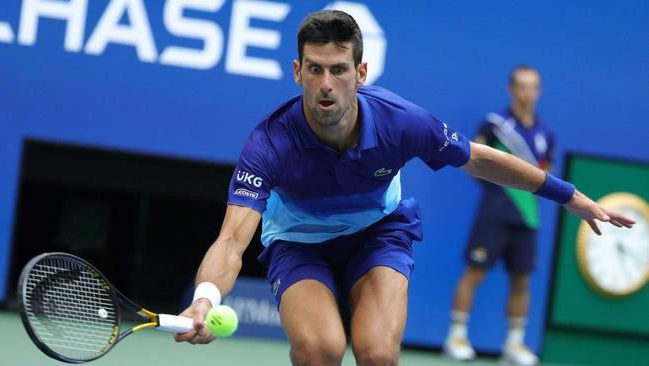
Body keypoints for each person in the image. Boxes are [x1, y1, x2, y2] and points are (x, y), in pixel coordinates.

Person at [174, 10, 634, 366]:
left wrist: (568, 195)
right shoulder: (269, 142)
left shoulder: (403, 122)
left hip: (378, 234)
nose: (326, 85)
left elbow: (478, 159)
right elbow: (232, 239)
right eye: (314, 70)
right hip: (300, 244)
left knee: (377, 354)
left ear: (362, 71)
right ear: (297, 72)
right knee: (321, 351)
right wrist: (205, 299)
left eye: (338, 69)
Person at [442, 66, 553, 366]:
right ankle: (456, 336)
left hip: (528, 218)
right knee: (474, 273)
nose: (527, 93)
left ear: (538, 92)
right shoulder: (494, 125)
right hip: (494, 214)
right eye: (522, 86)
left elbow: (547, 174)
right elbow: (472, 160)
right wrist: (498, 191)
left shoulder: (546, 135)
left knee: (522, 280)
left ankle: (514, 345)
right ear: (511, 90)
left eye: (533, 87)